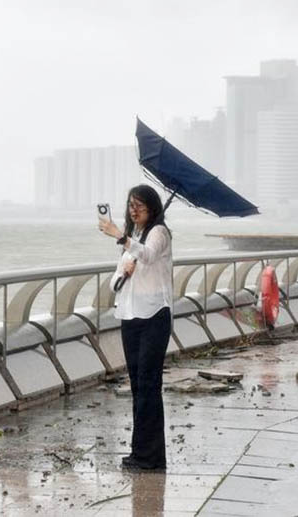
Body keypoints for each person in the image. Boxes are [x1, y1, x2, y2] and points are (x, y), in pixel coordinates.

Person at [99, 184, 173, 471]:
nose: (134, 210)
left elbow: (149, 255)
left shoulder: (159, 233)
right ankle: (139, 452)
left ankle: (152, 457)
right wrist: (124, 273)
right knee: (137, 385)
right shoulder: (136, 239)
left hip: (154, 316)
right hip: (130, 317)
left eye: (139, 205)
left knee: (149, 385)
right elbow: (114, 283)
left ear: (152, 207)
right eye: (131, 205)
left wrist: (121, 237)